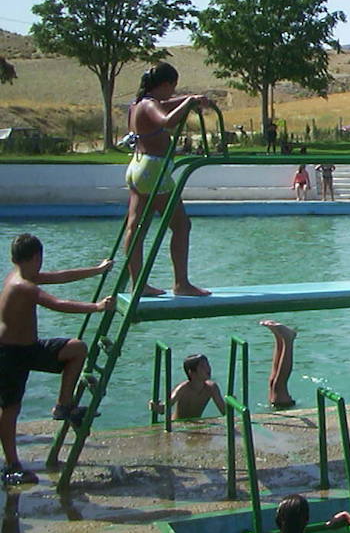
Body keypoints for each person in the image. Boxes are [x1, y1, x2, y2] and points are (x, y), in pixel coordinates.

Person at [1, 235, 113, 485]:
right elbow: (57, 303)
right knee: (10, 409)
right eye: (41, 259)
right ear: (35, 257)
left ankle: (64, 405)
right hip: (9, 353)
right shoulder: (21, 285)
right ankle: (11, 466)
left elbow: (61, 276)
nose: (42, 264)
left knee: (76, 349)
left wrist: (97, 270)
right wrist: (96, 307)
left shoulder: (24, 275)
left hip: (30, 347)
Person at [124, 63, 211, 297]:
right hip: (154, 170)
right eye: (172, 88)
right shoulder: (151, 105)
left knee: (135, 227)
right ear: (164, 85)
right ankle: (181, 284)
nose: (172, 93)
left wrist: (189, 98)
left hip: (137, 166)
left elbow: (164, 105)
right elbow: (167, 120)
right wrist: (189, 103)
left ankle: (138, 284)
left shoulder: (136, 105)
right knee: (181, 225)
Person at [151, 353, 226, 420]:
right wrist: (155, 407)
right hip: (177, 425)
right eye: (203, 367)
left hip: (195, 424)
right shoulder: (183, 388)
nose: (208, 369)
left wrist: (230, 405)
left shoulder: (212, 388)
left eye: (208, 365)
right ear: (192, 373)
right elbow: (164, 408)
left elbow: (224, 412)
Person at [261, 320, 297, 408]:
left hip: (282, 404)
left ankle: (286, 339)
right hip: (281, 404)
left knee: (277, 386)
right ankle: (281, 338)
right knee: (275, 385)